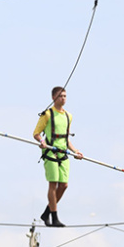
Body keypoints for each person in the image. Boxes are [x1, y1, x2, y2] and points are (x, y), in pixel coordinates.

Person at [33, 86, 83, 227]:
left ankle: (47, 212)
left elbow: (66, 139)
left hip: (63, 153)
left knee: (64, 185)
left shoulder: (68, 116)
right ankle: (54, 217)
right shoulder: (47, 114)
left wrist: (76, 151)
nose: (63, 98)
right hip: (50, 152)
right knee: (53, 184)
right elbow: (36, 133)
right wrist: (42, 142)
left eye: (65, 96)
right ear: (54, 98)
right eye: (61, 96)